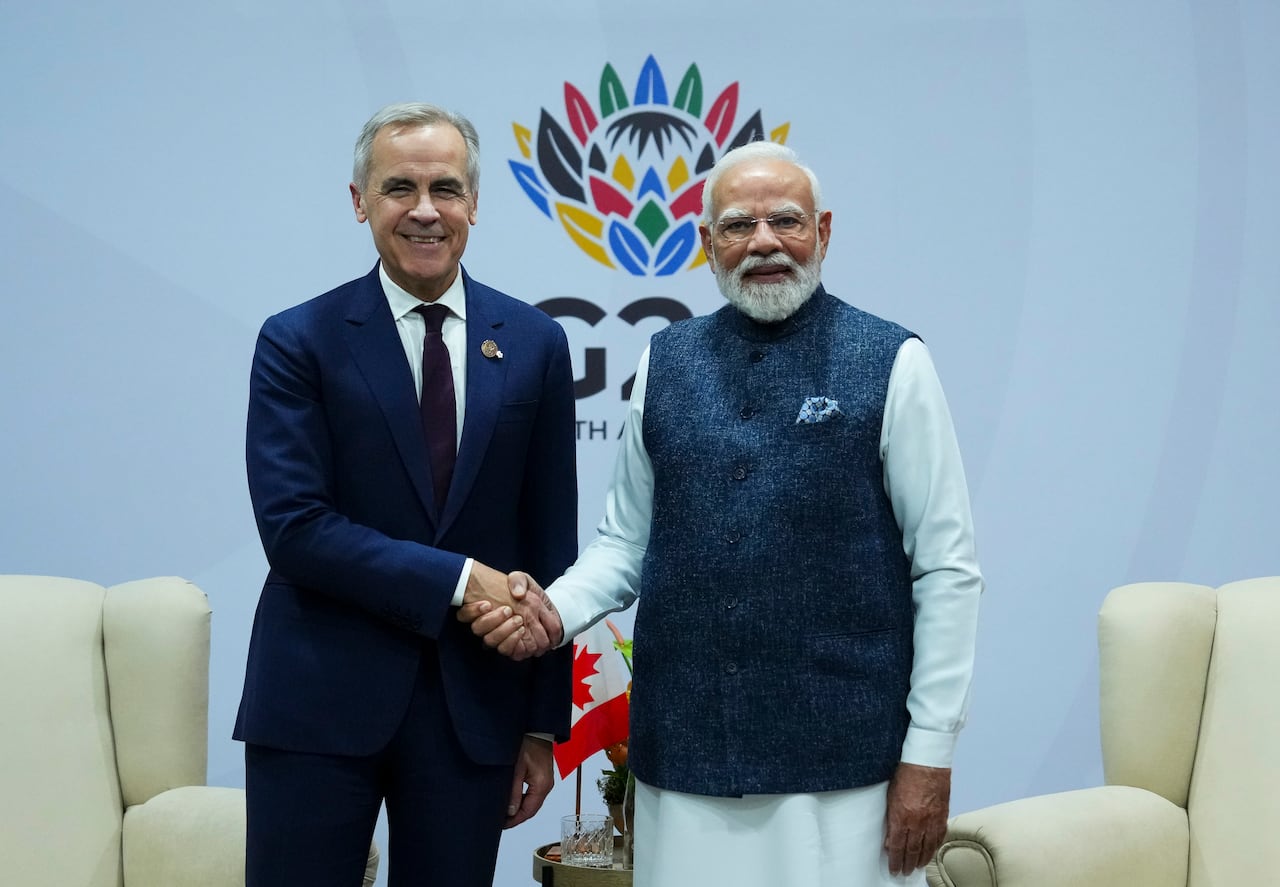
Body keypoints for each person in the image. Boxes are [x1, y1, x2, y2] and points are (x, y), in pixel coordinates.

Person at [462, 140, 983, 886]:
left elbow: (947, 569)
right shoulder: (665, 361)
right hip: (684, 761)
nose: (764, 242)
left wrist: (929, 753)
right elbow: (624, 543)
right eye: (739, 225)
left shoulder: (894, 360)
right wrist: (551, 612)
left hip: (843, 769)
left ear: (823, 232)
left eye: (786, 221)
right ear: (708, 243)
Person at [234, 102, 578, 887]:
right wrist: (459, 579)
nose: (426, 209)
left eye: (446, 188)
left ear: (474, 204)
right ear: (360, 201)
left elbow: (549, 541)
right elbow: (295, 527)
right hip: (317, 701)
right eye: (400, 187)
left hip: (474, 710)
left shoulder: (536, 343)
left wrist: (540, 722)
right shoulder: (298, 339)